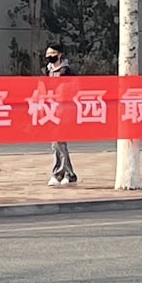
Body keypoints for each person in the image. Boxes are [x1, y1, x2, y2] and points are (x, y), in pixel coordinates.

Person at [43, 44, 78, 186]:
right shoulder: (46, 71)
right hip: (51, 110)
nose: (49, 56)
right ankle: (70, 175)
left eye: (52, 53)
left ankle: (58, 173)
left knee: (59, 141)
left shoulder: (67, 72)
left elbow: (75, 89)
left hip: (65, 110)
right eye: (47, 53)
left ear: (59, 54)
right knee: (56, 143)